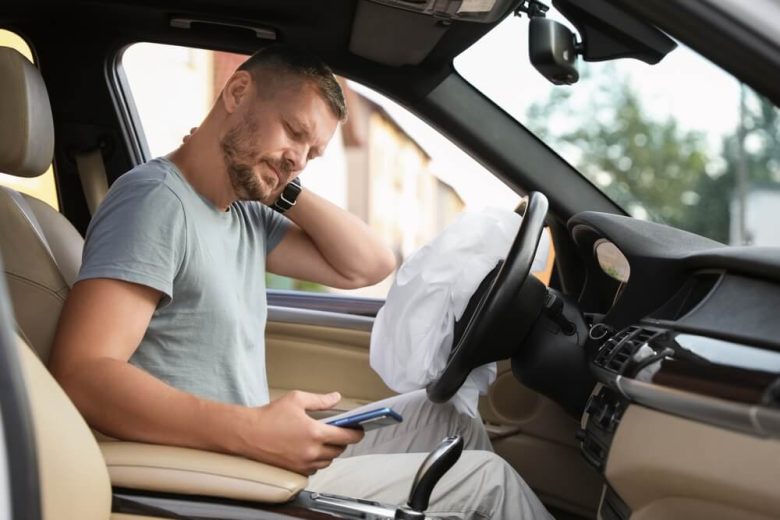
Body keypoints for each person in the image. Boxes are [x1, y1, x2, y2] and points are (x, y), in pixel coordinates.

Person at [49, 45, 551, 519]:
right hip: (215, 470)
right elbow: (83, 372)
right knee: (489, 481)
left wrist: (280, 182)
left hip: (246, 446)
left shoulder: (242, 214)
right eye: (293, 131)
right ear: (237, 91)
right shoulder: (155, 203)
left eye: (312, 154)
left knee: (445, 416)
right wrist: (252, 430)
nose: (297, 159)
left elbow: (367, 264)